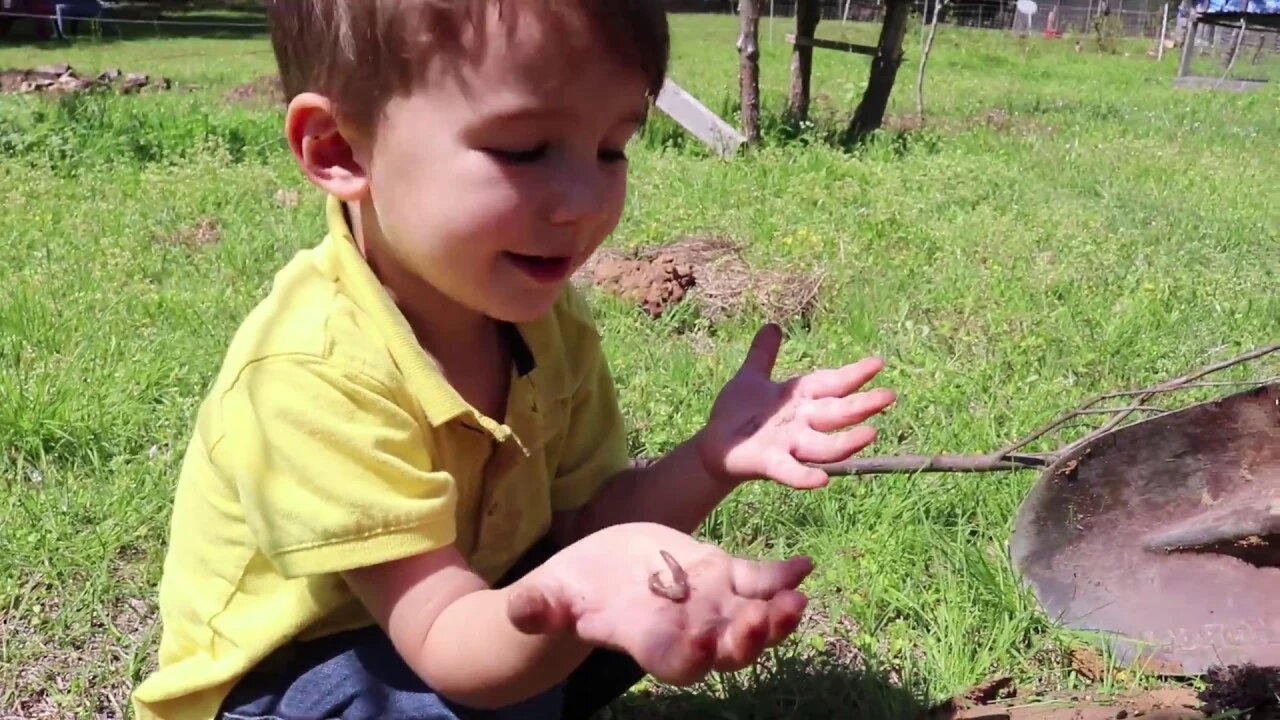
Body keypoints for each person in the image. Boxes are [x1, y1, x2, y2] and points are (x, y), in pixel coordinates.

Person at [130, 1, 897, 718]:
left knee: (632, 608)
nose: (583, 201)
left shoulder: (547, 325)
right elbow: (443, 637)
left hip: (475, 616)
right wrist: (579, 585)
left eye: (610, 149)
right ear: (338, 149)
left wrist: (710, 459)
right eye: (524, 149)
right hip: (299, 678)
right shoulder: (313, 369)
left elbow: (587, 521)